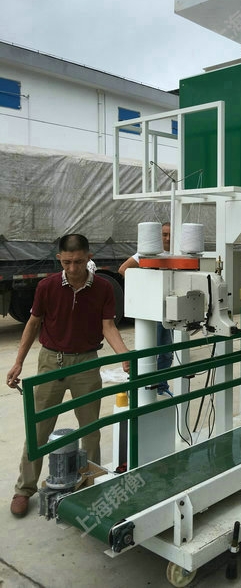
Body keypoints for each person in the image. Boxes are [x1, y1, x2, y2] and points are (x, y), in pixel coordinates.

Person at [6, 234, 130, 518]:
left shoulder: (102, 288)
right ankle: (24, 489)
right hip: (51, 361)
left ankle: (90, 486)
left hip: (86, 362)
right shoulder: (47, 286)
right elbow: (33, 324)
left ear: (89, 258)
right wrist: (18, 362)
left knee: (91, 430)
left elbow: (108, 326)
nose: (73, 268)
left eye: (79, 262)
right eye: (67, 262)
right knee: (38, 429)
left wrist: (124, 355)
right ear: (59, 259)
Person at [118, 221, 174, 395]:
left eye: (171, 234)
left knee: (167, 353)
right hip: (153, 310)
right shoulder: (146, 253)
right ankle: (136, 388)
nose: (167, 238)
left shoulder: (177, 253)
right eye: (164, 234)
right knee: (148, 352)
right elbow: (123, 269)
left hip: (170, 310)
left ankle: (161, 387)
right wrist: (143, 289)